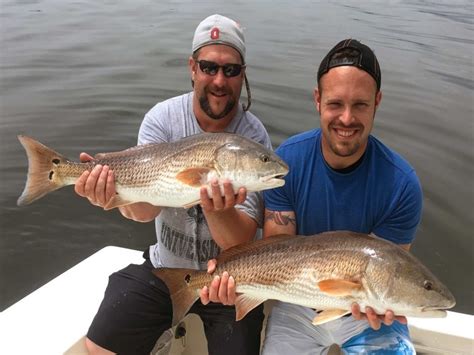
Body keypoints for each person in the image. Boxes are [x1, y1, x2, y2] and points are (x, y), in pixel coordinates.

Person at [201, 39, 423, 354]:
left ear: (378, 102)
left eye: (360, 104)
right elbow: (278, 252)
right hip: (297, 303)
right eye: (335, 104)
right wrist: (237, 282)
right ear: (317, 100)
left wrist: (368, 299)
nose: (347, 119)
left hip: (366, 314)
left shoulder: (402, 186)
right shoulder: (287, 163)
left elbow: (386, 268)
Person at [75, 14, 269, 355]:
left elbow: (239, 240)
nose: (219, 80)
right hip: (164, 268)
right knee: (98, 345)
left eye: (231, 70)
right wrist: (112, 196)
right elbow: (144, 209)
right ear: (192, 67)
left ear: (243, 74)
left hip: (225, 281)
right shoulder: (161, 119)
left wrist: (216, 209)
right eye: (209, 67)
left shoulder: (253, 139)